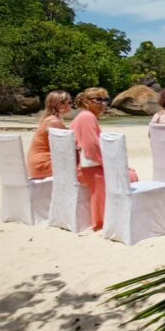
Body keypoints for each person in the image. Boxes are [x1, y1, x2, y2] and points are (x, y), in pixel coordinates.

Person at [71, 87, 111, 230]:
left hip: (81, 167)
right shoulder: (88, 117)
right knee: (129, 176)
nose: (103, 103)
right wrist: (108, 165)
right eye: (98, 100)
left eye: (105, 100)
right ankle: (102, 220)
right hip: (86, 169)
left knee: (128, 172)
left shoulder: (84, 116)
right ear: (86, 102)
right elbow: (91, 147)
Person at [26, 90, 71, 179]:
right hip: (43, 165)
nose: (71, 105)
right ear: (59, 104)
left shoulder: (48, 119)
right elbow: (62, 149)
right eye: (69, 102)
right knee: (83, 169)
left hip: (36, 165)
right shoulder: (54, 122)